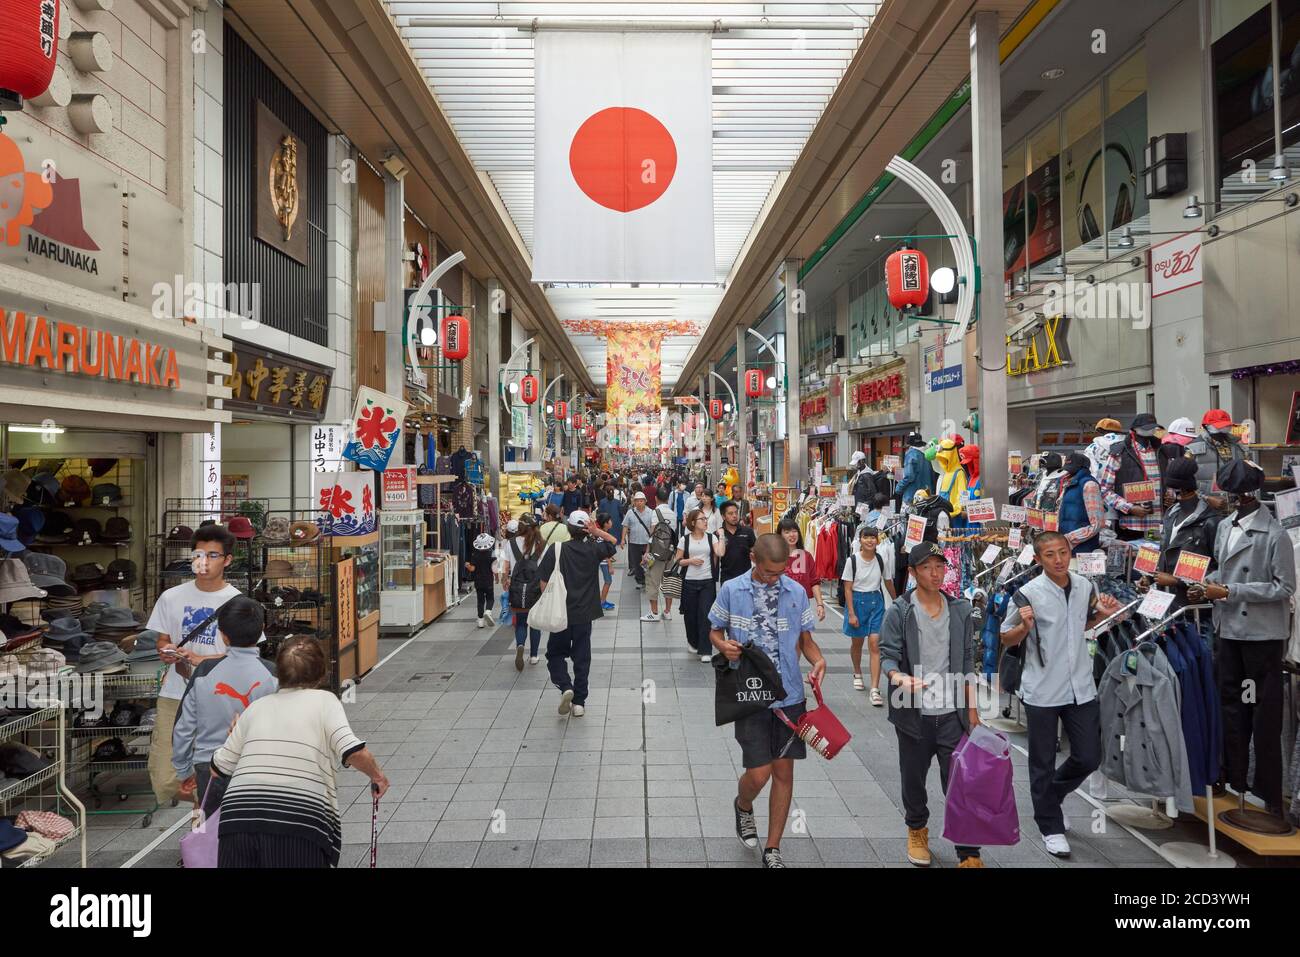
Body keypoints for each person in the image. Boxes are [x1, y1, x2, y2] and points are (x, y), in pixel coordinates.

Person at [211, 636, 388, 868]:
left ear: (279, 674)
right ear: (322, 672)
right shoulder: (325, 701)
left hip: (238, 819)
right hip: (297, 821)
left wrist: (236, 737)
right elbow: (353, 751)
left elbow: (217, 769)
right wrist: (378, 777)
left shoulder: (255, 708)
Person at [999, 532, 1121, 857]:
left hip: (1080, 684)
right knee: (1042, 761)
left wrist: (1106, 615)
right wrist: (1024, 629)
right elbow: (1006, 638)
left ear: (1070, 553)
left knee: (1089, 755)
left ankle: (1050, 798)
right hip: (1041, 686)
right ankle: (1050, 825)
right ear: (1038, 559)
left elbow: (1081, 625)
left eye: (1063, 552)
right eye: (1050, 555)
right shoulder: (1028, 593)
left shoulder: (1084, 587)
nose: (1058, 560)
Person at [709, 533, 826, 869]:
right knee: (758, 774)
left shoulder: (796, 592)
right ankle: (744, 805)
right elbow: (715, 629)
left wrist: (818, 660)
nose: (776, 578)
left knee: (783, 772)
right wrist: (722, 645)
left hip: (789, 695)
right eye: (769, 572)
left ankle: (772, 848)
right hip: (749, 693)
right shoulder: (732, 589)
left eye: (781, 572)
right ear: (753, 559)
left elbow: (806, 641)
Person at [1190, 460, 1296, 818]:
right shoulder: (1222, 527)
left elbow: (1284, 587)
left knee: (1263, 713)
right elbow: (1223, 566)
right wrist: (1206, 586)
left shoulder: (1275, 535)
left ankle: (1268, 792)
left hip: (1261, 636)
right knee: (1229, 704)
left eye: (1239, 495)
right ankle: (1233, 776)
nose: (1234, 501)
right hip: (1228, 628)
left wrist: (1229, 590)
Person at [879, 541, 983, 868]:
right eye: (927, 567)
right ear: (912, 573)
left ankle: (968, 850)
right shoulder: (900, 610)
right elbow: (888, 654)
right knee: (913, 779)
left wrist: (972, 710)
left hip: (952, 713)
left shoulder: (960, 610)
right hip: (913, 712)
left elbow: (967, 660)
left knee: (959, 783)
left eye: (940, 566)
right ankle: (917, 831)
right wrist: (898, 677)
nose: (936, 573)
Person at [145, 523, 247, 806]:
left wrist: (202, 660)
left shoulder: (238, 602)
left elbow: (246, 655)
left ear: (227, 560)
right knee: (164, 777)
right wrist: (165, 650)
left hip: (222, 699)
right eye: (198, 554)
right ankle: (207, 809)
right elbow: (163, 639)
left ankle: (211, 828)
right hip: (175, 694)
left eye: (213, 555)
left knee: (223, 770)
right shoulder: (171, 597)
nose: (203, 561)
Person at [172, 597, 277, 809]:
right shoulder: (274, 675)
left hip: (209, 766)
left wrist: (183, 770)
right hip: (260, 764)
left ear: (223, 635)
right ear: (262, 629)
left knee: (215, 833)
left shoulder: (204, 672)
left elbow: (183, 727)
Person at [537, 510, 620, 717]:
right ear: (586, 529)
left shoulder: (556, 550)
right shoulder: (593, 549)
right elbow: (613, 542)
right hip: (584, 613)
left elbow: (543, 582)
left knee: (555, 654)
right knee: (582, 657)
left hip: (560, 613)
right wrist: (597, 531)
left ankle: (565, 685)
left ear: (568, 528)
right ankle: (579, 701)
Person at [1152, 457, 1221, 612]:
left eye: (1170, 488)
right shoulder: (1171, 514)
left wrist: (1178, 582)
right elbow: (1163, 553)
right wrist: (1150, 577)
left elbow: (1220, 569)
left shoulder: (1211, 522)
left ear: (1180, 489)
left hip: (1195, 607)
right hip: (1165, 603)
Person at [843, 526, 897, 704]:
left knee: (875, 644)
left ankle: (875, 688)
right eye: (866, 537)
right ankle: (857, 672)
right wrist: (851, 613)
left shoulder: (881, 560)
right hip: (857, 602)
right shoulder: (852, 560)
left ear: (878, 540)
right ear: (860, 539)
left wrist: (897, 601)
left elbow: (888, 582)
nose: (870, 540)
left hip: (876, 603)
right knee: (857, 643)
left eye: (873, 537)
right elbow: (848, 588)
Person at [1097, 412, 1165, 541]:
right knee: (1131, 559)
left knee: (1155, 557)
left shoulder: (1161, 451)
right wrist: (1130, 508)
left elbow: (1168, 482)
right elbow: (1105, 489)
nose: (1150, 431)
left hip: (1158, 524)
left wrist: (1170, 494)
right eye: (1146, 428)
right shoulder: (1120, 452)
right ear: (1135, 430)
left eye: (1153, 428)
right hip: (1131, 526)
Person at [675, 509, 720, 662]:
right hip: (689, 581)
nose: (705, 521)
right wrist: (690, 561)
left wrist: (723, 538)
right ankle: (692, 641)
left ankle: (705, 649)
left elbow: (718, 554)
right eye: (701, 519)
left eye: (705, 519)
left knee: (705, 614)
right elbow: (678, 560)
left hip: (707, 581)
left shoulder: (711, 537)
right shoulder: (684, 539)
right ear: (693, 523)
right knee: (690, 615)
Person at [502, 517, 545, 669]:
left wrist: (504, 581)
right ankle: (533, 656)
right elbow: (544, 567)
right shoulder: (540, 543)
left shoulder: (510, 543)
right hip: (535, 588)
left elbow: (506, 566)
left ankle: (520, 644)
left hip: (517, 587)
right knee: (535, 624)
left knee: (520, 622)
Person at [1190, 409, 1247, 505]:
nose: (1223, 431)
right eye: (1220, 427)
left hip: (1235, 504)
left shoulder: (1237, 446)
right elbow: (1184, 483)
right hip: (1205, 507)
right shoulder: (1193, 449)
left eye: (1226, 427)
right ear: (1206, 427)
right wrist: (1206, 498)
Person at [778, 518, 824, 622]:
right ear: (780, 535)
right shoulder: (775, 557)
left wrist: (820, 604)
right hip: (780, 606)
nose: (792, 535)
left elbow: (814, 582)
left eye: (794, 531)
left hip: (802, 606)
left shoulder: (806, 556)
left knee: (803, 637)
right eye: (787, 532)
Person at [641, 499, 680, 622]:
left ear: (656, 498)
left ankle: (654, 612)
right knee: (668, 581)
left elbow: (652, 535)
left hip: (656, 553)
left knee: (652, 580)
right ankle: (667, 612)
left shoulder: (655, 512)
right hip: (670, 552)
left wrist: (647, 552)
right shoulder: (673, 513)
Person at [1057, 452, 1104, 553]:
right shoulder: (1069, 484)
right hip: (1065, 548)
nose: (1067, 473)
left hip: (1083, 551)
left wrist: (1069, 539)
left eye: (1071, 469)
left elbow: (1097, 524)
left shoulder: (1089, 485)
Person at [622, 491, 657, 588]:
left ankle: (649, 579)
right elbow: (625, 526)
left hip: (647, 542)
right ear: (634, 502)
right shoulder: (630, 512)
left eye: (641, 501)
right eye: (637, 501)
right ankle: (640, 581)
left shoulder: (651, 512)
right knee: (636, 563)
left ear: (645, 501)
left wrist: (652, 539)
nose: (639, 503)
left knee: (648, 562)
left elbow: (653, 526)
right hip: (634, 542)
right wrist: (622, 539)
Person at [717, 500, 757, 585]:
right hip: (727, 579)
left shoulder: (748, 531)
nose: (735, 516)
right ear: (723, 516)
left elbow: (755, 551)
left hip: (746, 578)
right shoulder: (718, 534)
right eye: (730, 513)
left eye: (736, 512)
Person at [465, 532, 497, 629]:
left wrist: (467, 565)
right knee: (490, 598)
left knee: (480, 601)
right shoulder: (492, 554)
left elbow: (472, 569)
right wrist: (497, 577)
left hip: (478, 581)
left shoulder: (475, 555)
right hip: (488, 580)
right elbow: (495, 568)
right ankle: (488, 611)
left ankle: (480, 621)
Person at [896, 432, 932, 510]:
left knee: (909, 520)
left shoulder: (911, 454)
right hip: (926, 496)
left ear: (910, 445)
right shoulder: (927, 454)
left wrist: (898, 488)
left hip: (912, 497)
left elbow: (909, 476)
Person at [595, 512, 617, 611]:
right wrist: (610, 566)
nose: (611, 522)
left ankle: (602, 601)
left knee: (607, 581)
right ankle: (602, 602)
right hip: (604, 562)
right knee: (608, 581)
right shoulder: (602, 535)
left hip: (602, 561)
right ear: (605, 523)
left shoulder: (601, 533)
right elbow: (604, 553)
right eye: (609, 521)